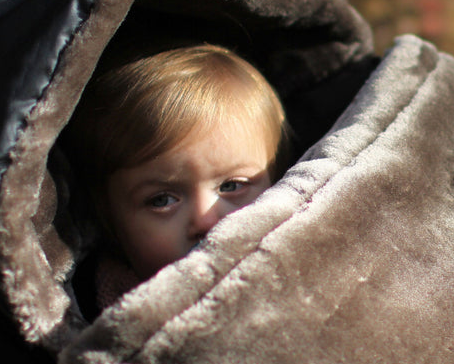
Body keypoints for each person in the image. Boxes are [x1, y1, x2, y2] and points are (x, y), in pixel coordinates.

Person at [68, 43, 290, 310]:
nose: (206, 221)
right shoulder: (97, 309)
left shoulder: (305, 265)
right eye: (161, 200)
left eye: (232, 185)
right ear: (111, 224)